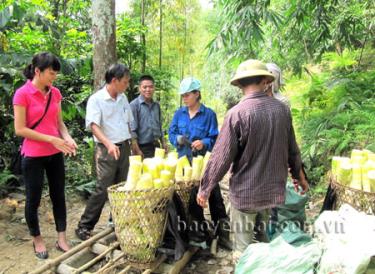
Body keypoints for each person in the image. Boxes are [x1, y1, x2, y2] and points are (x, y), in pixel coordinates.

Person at [196, 60, 309, 261]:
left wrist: (205, 188)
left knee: (243, 251)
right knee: (265, 245)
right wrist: (299, 176)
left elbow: (221, 158)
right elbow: (292, 149)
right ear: (266, 81)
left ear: (240, 84)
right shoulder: (282, 110)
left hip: (246, 194)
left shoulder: (237, 114)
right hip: (272, 192)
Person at [13, 52, 77, 259]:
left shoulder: (55, 93)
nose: (54, 77)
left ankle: (61, 238)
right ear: (38, 71)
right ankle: (37, 240)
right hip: (33, 156)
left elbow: (59, 124)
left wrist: (67, 138)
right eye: (51, 73)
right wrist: (51, 140)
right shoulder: (22, 94)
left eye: (56, 74)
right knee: (33, 199)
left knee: (59, 195)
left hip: (55, 152)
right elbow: (20, 129)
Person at [168, 77, 232, 250]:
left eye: (187, 95)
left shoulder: (208, 114)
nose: (185, 98)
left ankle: (223, 235)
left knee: (215, 198)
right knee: (191, 201)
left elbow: (215, 138)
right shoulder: (179, 114)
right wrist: (177, 139)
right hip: (185, 166)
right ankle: (199, 235)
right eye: (183, 95)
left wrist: (203, 142)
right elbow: (171, 133)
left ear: (197, 94)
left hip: (205, 164)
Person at [75, 64, 133, 240]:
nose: (127, 85)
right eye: (125, 82)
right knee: (103, 188)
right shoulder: (97, 99)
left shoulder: (123, 98)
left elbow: (128, 123)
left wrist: (134, 145)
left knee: (123, 186)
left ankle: (115, 221)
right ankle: (84, 226)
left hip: (124, 147)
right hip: (107, 149)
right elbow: (94, 125)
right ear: (114, 81)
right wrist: (108, 144)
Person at [130, 75, 167, 158]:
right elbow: (132, 129)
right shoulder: (134, 105)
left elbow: (160, 126)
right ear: (139, 88)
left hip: (156, 147)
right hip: (142, 148)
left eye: (151, 87)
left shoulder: (156, 105)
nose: (148, 90)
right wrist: (136, 149)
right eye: (145, 87)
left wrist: (163, 142)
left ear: (154, 88)